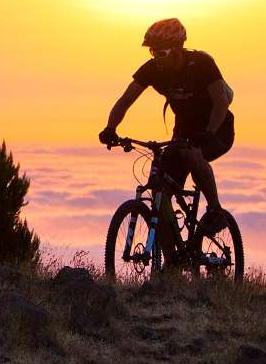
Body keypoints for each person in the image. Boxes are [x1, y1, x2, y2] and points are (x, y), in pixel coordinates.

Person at [97, 17, 234, 245]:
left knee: (192, 153)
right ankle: (172, 261)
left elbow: (221, 102)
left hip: (217, 127)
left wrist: (209, 132)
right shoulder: (153, 70)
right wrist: (110, 127)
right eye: (153, 52)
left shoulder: (201, 64)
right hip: (184, 129)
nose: (156, 58)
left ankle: (215, 210)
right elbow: (126, 99)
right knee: (160, 190)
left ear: (178, 49)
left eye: (162, 53)